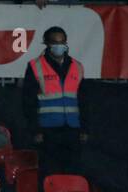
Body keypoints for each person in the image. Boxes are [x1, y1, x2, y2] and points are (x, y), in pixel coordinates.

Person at [21, 26, 89, 178]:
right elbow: (28, 101)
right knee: (50, 172)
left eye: (62, 42)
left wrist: (84, 128)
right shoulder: (35, 66)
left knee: (74, 171)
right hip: (48, 130)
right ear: (47, 44)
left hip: (72, 128)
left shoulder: (77, 66)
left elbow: (84, 100)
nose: (59, 45)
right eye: (55, 42)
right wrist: (35, 130)